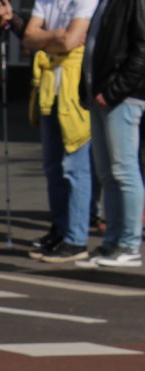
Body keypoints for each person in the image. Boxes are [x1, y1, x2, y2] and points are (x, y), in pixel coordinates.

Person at [18, 0, 98, 262]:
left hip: (73, 86)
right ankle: (60, 229)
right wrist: (56, 36)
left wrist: (46, 38)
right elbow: (28, 38)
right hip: (50, 86)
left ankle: (76, 240)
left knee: (75, 165)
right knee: (52, 165)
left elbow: (70, 41)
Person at [75, 0, 145, 267]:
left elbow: (141, 49)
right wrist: (89, 91)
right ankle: (112, 244)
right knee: (107, 172)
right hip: (102, 95)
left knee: (123, 170)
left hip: (122, 98)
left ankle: (128, 244)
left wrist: (115, 91)